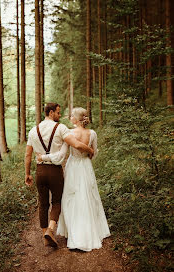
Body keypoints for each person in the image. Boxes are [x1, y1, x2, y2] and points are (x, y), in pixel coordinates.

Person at [37, 107, 110, 252]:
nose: (69, 117)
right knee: (89, 196)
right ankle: (90, 230)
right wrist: (88, 153)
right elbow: (94, 154)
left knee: (71, 198)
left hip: (73, 167)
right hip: (86, 166)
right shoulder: (92, 133)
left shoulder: (69, 133)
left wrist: (43, 157)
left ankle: (74, 232)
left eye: (71, 116)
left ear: (76, 119)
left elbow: (61, 155)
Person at [24, 103, 94, 248]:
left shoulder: (32, 131)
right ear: (50, 113)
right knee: (56, 201)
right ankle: (50, 229)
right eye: (57, 112)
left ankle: (45, 234)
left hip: (40, 171)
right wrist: (90, 150)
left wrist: (27, 174)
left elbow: (28, 154)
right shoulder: (60, 128)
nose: (60, 115)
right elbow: (76, 145)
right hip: (55, 171)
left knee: (43, 203)